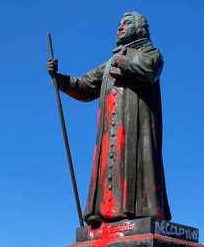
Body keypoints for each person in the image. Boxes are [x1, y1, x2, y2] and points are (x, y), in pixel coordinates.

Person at [47, 12, 171, 227]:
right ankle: (103, 212)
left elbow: (151, 69)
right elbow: (85, 84)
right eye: (119, 24)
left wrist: (122, 61)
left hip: (136, 125)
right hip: (110, 129)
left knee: (138, 162)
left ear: (139, 28)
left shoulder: (148, 51)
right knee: (108, 162)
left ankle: (140, 211)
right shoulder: (111, 61)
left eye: (126, 23)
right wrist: (59, 79)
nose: (120, 27)